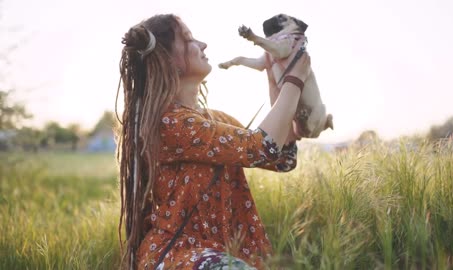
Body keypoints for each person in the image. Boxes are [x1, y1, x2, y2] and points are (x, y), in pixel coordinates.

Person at [117, 13, 311, 270]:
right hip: (180, 255)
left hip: (219, 254)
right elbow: (262, 147)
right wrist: (294, 80)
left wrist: (275, 80)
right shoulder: (169, 123)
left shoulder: (215, 120)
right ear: (168, 60)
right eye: (188, 40)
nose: (203, 44)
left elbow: (282, 158)